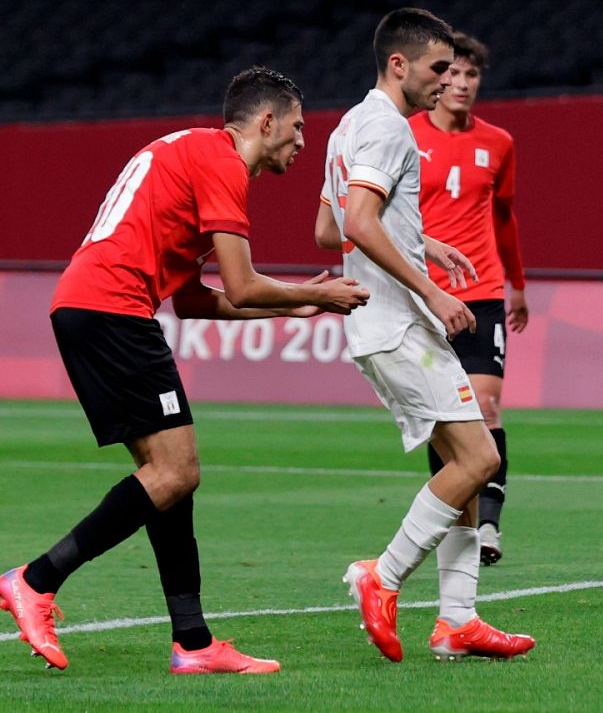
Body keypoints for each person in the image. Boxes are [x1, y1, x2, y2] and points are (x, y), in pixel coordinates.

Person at [0, 68, 369, 674]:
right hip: (113, 308)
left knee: (167, 478)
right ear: (265, 121)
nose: (303, 142)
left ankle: (193, 643)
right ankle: (36, 580)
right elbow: (245, 285)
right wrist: (315, 296)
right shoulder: (223, 164)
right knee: (176, 472)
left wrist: (296, 302)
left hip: (90, 306)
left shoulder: (189, 152)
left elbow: (196, 299)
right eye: (298, 128)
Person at [316, 8, 533, 662]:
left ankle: (458, 621)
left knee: (464, 470)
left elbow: (330, 231)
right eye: (439, 68)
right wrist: (435, 288)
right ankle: (381, 578)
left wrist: (421, 237)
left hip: (388, 323)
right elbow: (358, 221)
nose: (448, 79)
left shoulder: (348, 127)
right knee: (480, 461)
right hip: (401, 321)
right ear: (399, 64)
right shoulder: (388, 128)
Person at [409, 31, 527, 566]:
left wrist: (518, 284)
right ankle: (453, 523)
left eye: (470, 75)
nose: (459, 83)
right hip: (424, 296)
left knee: (484, 405)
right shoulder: (405, 136)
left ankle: (488, 527)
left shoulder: (498, 142)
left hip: (480, 293)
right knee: (442, 418)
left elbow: (504, 216)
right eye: (451, 73)